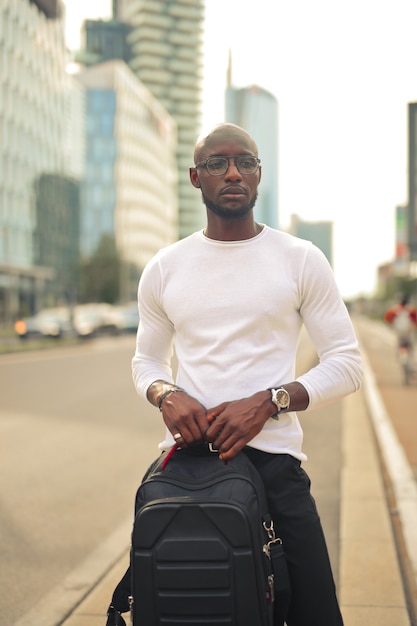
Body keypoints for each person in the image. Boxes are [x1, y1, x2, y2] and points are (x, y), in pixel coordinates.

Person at [130, 123, 362, 626]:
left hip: (277, 470)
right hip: (188, 471)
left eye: (246, 162)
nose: (233, 172)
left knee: (315, 613)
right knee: (187, 610)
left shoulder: (300, 259)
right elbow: (146, 362)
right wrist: (164, 393)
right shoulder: (166, 268)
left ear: (260, 175)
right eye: (217, 163)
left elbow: (346, 364)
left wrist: (271, 401)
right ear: (196, 177)